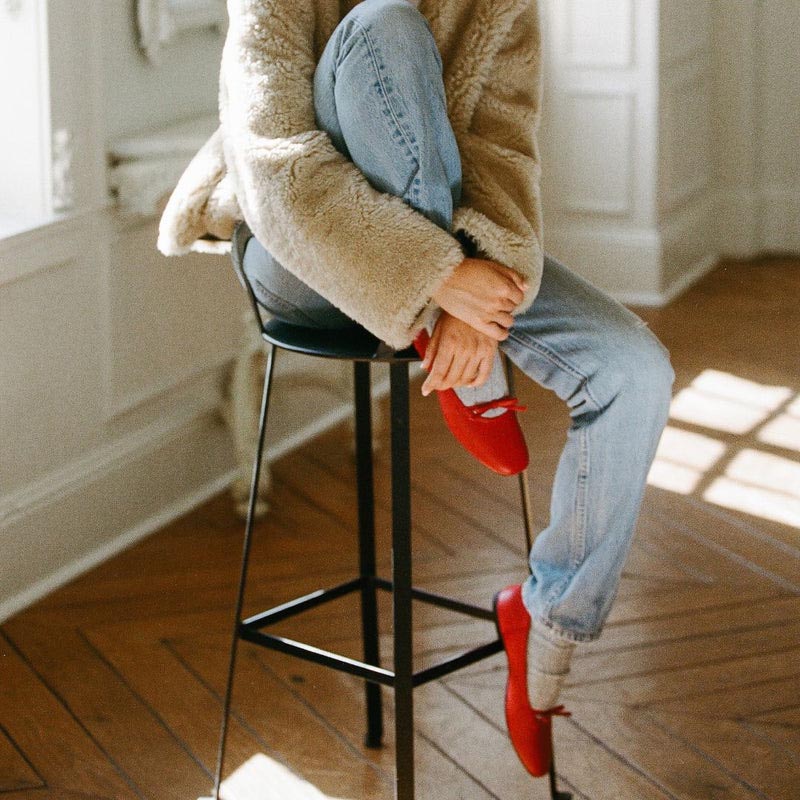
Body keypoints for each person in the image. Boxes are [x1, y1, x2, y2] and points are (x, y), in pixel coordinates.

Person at [158, 0, 675, 780]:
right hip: (295, 248)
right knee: (383, 26)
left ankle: (549, 627)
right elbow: (270, 159)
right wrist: (436, 278)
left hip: (460, 259)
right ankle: (462, 347)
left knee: (636, 370)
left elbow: (501, 156)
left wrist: (472, 281)